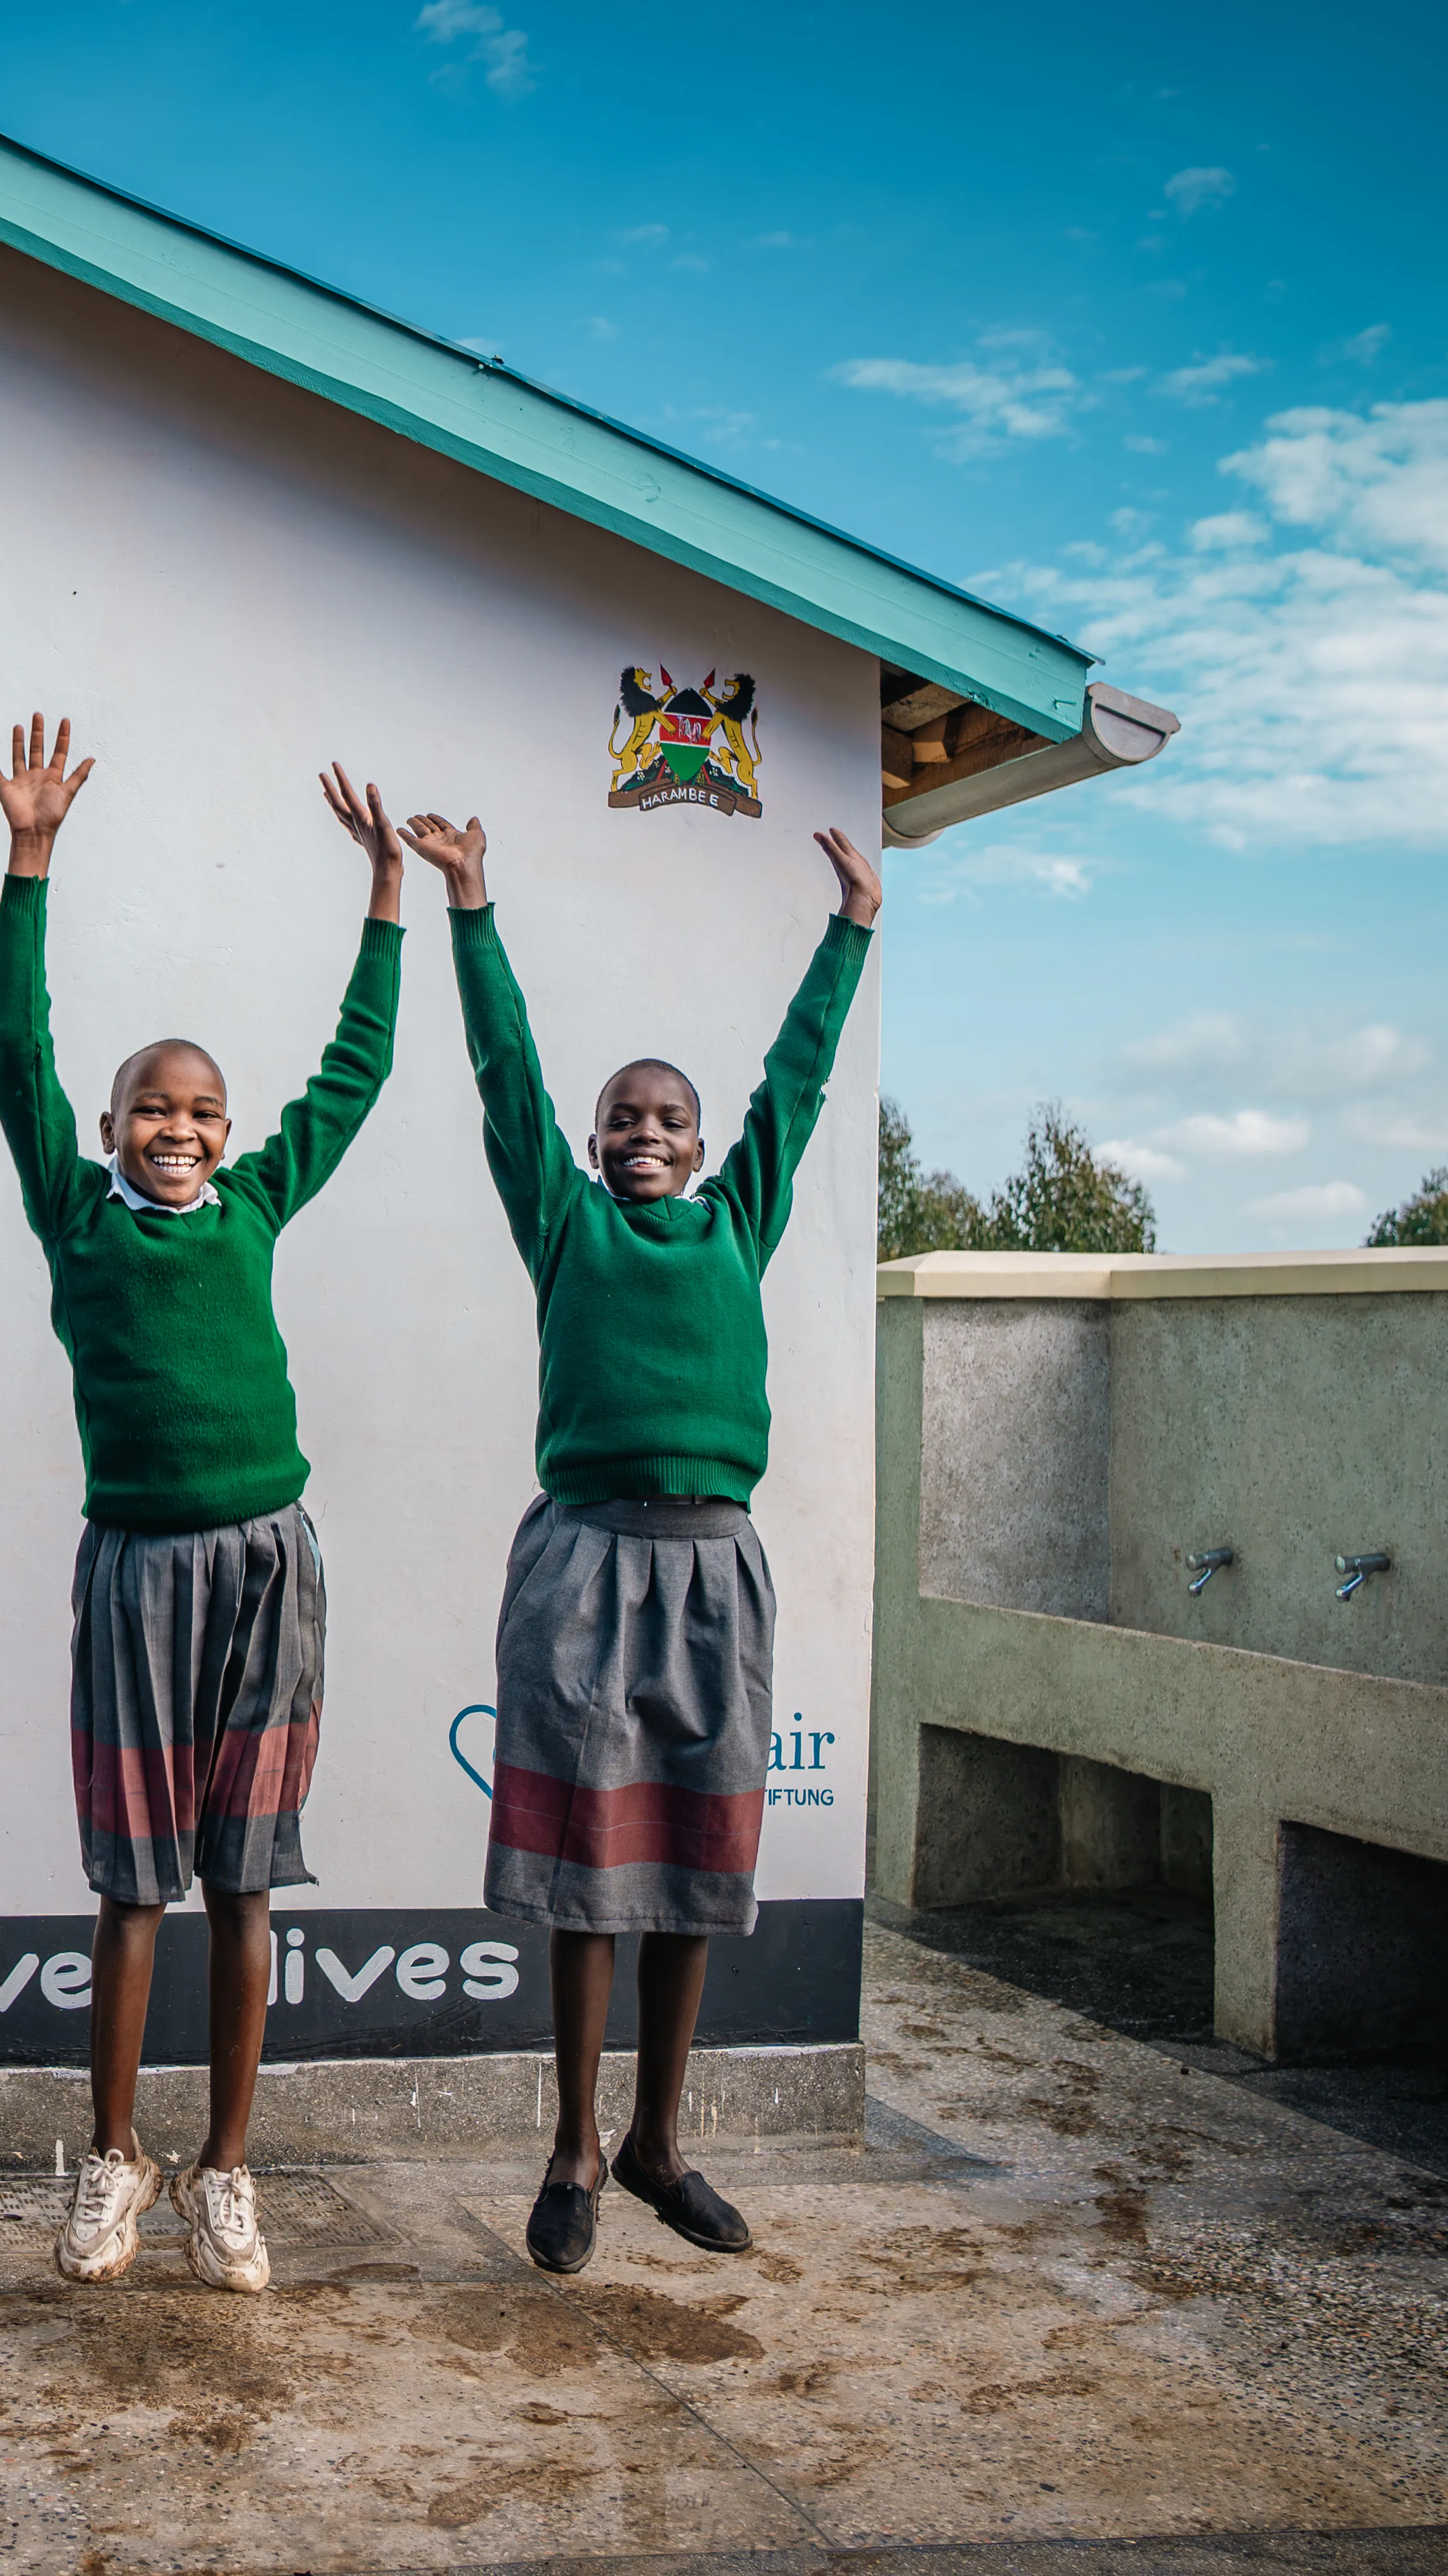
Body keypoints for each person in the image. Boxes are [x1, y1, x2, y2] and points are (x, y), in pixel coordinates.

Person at [388, 786, 878, 2272]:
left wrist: (849, 928)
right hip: (585, 1564)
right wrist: (471, 903)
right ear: (592, 1144)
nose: (641, 1133)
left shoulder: (741, 1213)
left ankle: (662, 2142)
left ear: (700, 1138)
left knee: (684, 1875)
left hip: (712, 1570)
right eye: (621, 1119)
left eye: (666, 1117)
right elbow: (503, 1069)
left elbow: (795, 1077)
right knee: (588, 1878)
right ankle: (573, 2150)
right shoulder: (563, 1216)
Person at [0, 714, 405, 2295]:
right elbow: (14, 1050)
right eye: (149, 1109)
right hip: (135, 1574)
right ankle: (114, 2154)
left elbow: (353, 1071)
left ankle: (227, 2167)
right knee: (129, 1887)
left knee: (245, 1882)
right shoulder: (75, 1219)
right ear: (105, 1135)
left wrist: (383, 901)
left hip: (265, 1564)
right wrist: (28, 866)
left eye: (200, 1112)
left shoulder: (260, 1196)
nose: (177, 1128)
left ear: (229, 1136)